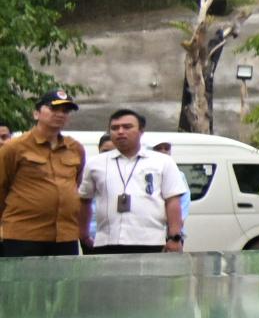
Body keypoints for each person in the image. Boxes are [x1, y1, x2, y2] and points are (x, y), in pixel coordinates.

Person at [82, 109, 187, 257]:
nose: (120, 132)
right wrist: (83, 234)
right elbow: (84, 200)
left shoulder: (162, 162)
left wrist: (174, 237)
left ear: (141, 131)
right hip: (106, 242)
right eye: (114, 128)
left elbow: (173, 201)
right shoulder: (95, 164)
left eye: (127, 127)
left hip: (150, 242)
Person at [0, 92, 87, 258]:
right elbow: (1, 187)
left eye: (65, 111)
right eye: (54, 109)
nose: (60, 114)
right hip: (24, 234)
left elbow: (75, 184)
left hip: (65, 235)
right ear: (36, 113)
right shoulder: (15, 147)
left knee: (64, 276)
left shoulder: (75, 148)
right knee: (24, 276)